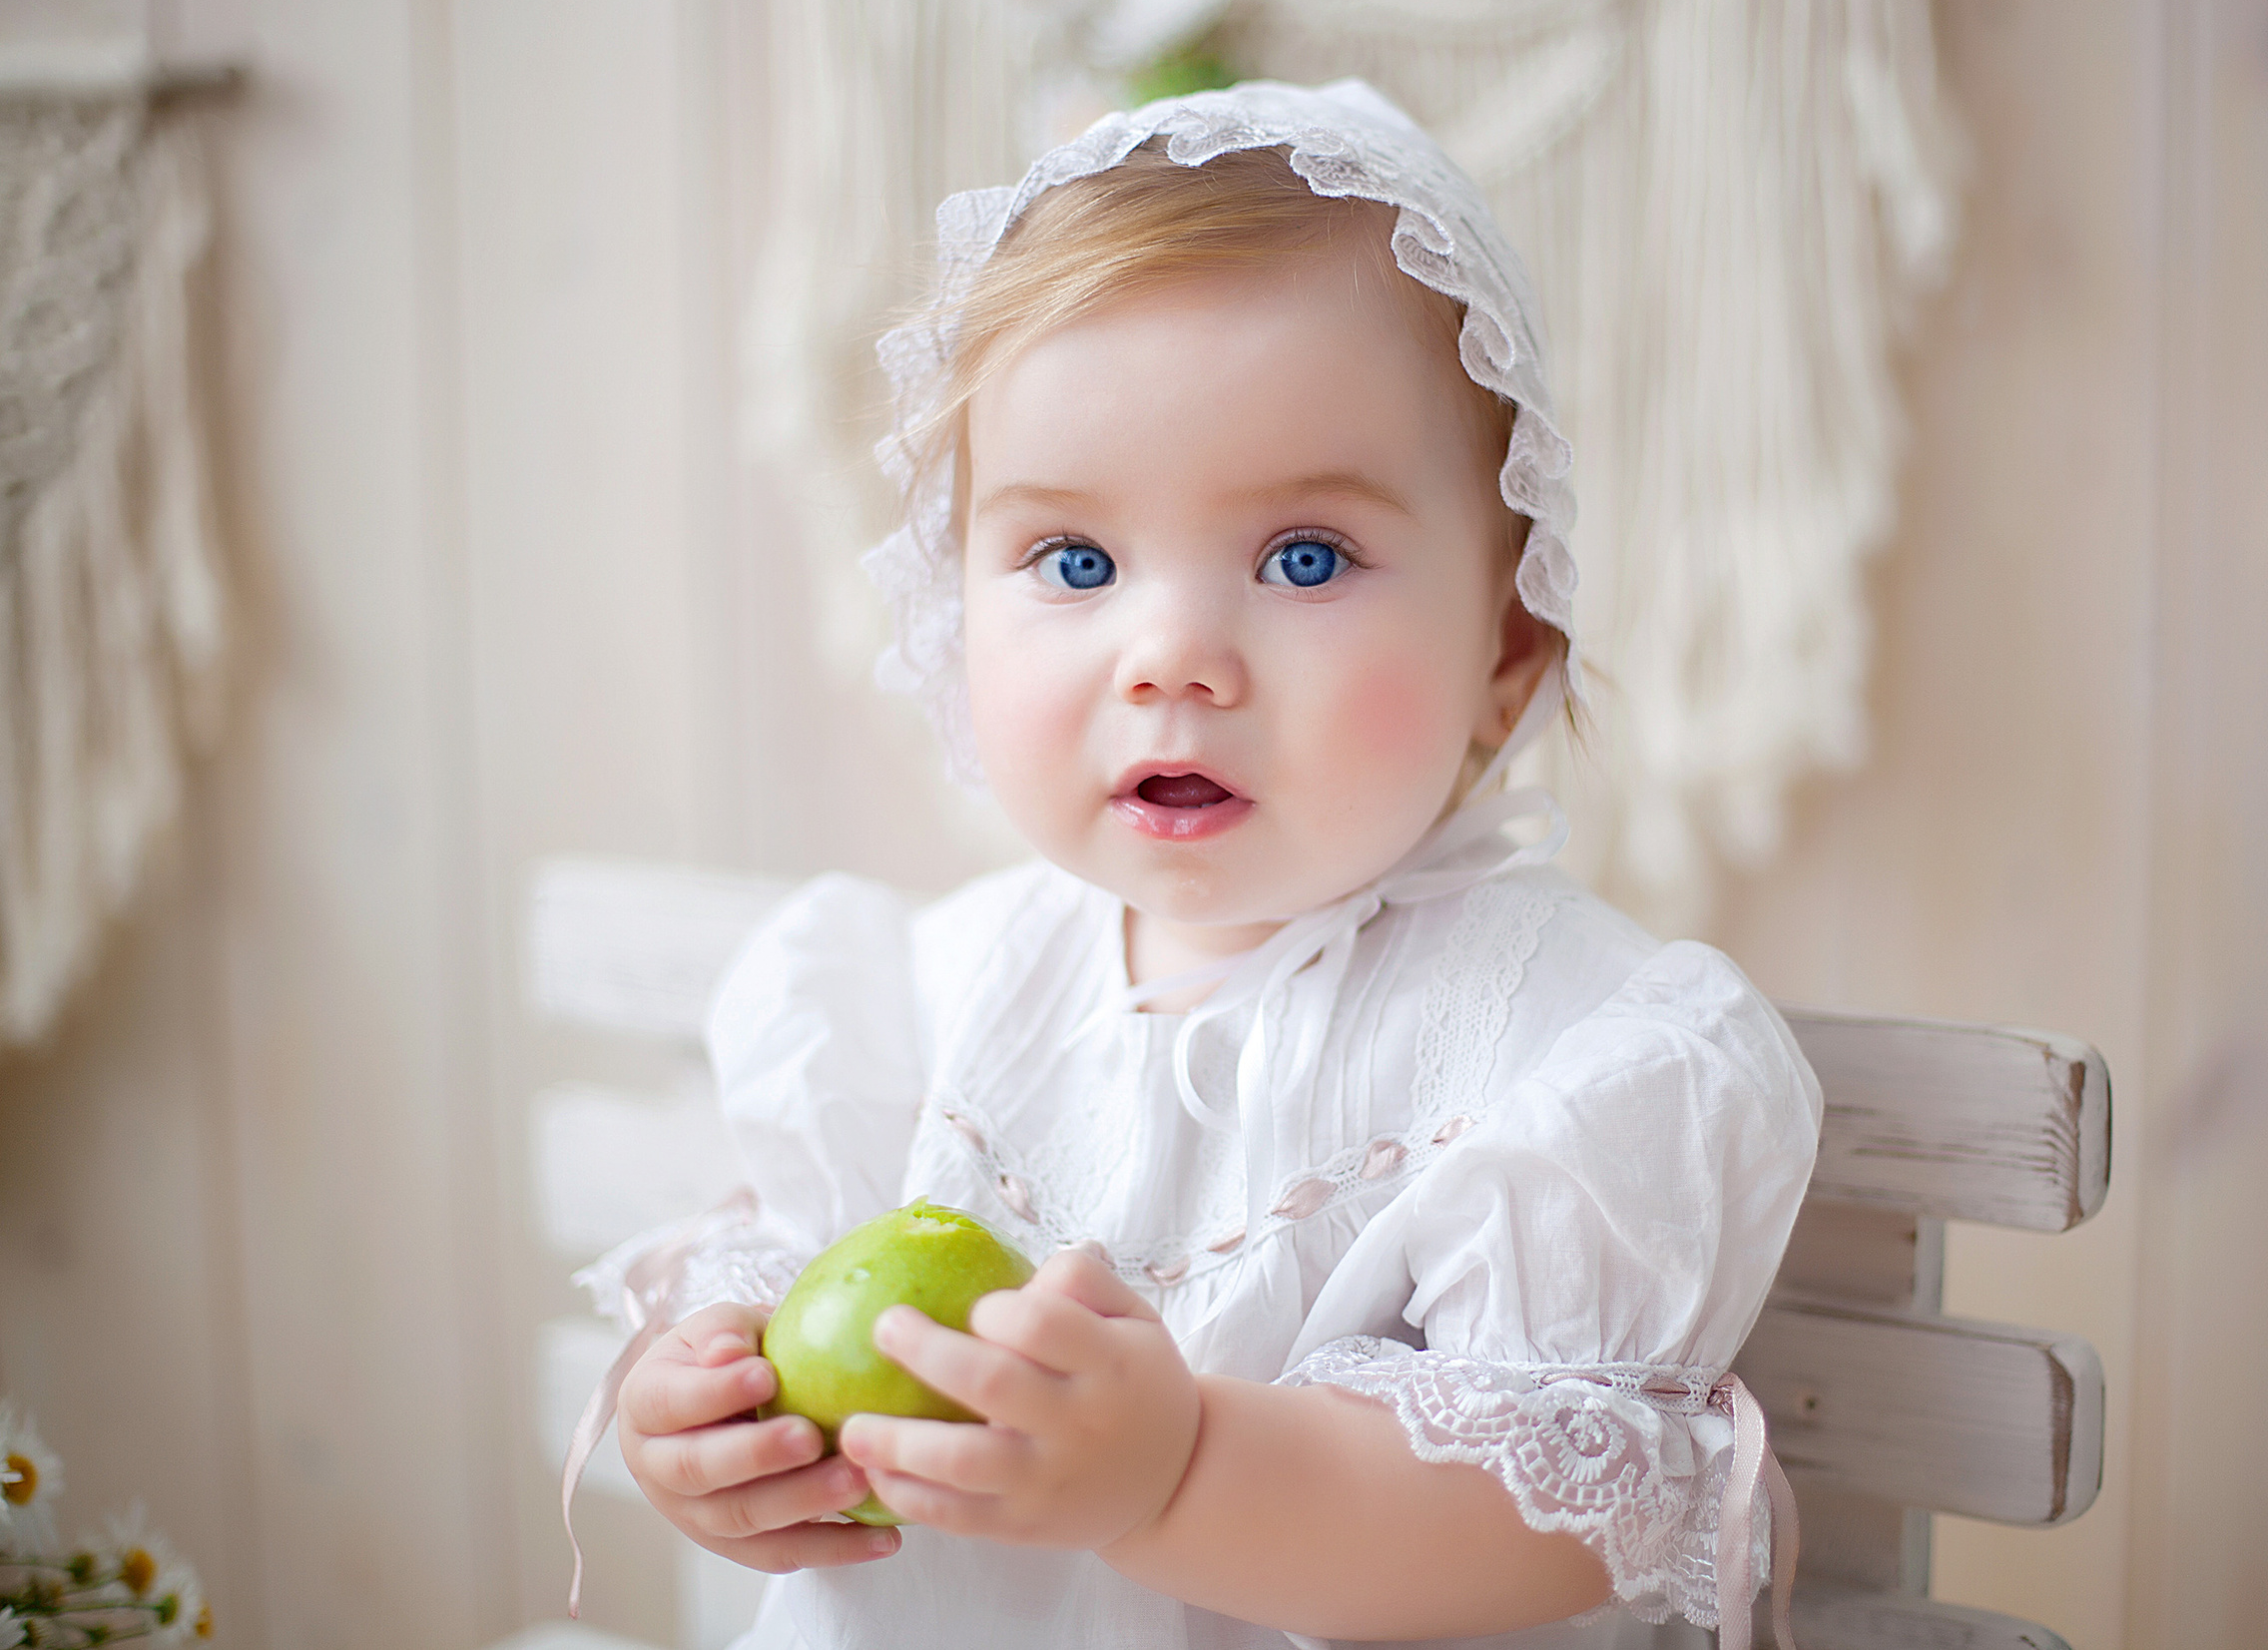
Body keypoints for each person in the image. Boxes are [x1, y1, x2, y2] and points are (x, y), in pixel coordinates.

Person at [578, 79, 1822, 1650]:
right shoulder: (913, 1000)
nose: (1170, 657)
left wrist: (1175, 1477)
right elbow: (761, 1291)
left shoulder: (1566, 1056)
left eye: (1305, 559)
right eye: (1075, 562)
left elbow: (1547, 1528)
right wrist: (717, 1426)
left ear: (1506, 651)